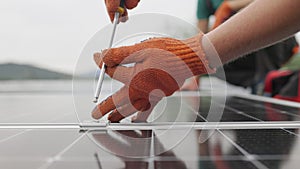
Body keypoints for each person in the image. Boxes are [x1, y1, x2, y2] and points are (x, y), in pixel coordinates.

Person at [92, 0, 300, 122]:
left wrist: (186, 56)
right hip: (234, 48)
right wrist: (189, 68)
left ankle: (262, 82)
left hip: (277, 44)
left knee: (226, 16)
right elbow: (202, 32)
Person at [181, 0, 253, 91]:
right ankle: (257, 83)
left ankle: (266, 78)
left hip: (265, 45)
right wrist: (195, 79)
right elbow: (200, 40)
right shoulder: (205, 2)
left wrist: (228, 7)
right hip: (238, 52)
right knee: (213, 62)